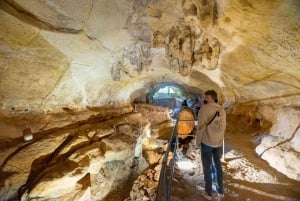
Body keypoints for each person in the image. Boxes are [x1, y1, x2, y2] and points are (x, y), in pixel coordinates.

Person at [195, 90, 226, 200]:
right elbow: (223, 127)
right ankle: (220, 191)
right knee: (217, 165)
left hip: (207, 141)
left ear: (210, 98)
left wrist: (197, 141)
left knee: (207, 167)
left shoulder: (205, 108)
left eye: (206, 97)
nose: (204, 98)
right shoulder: (222, 109)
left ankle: (208, 192)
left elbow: (201, 127)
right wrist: (219, 140)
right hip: (217, 143)